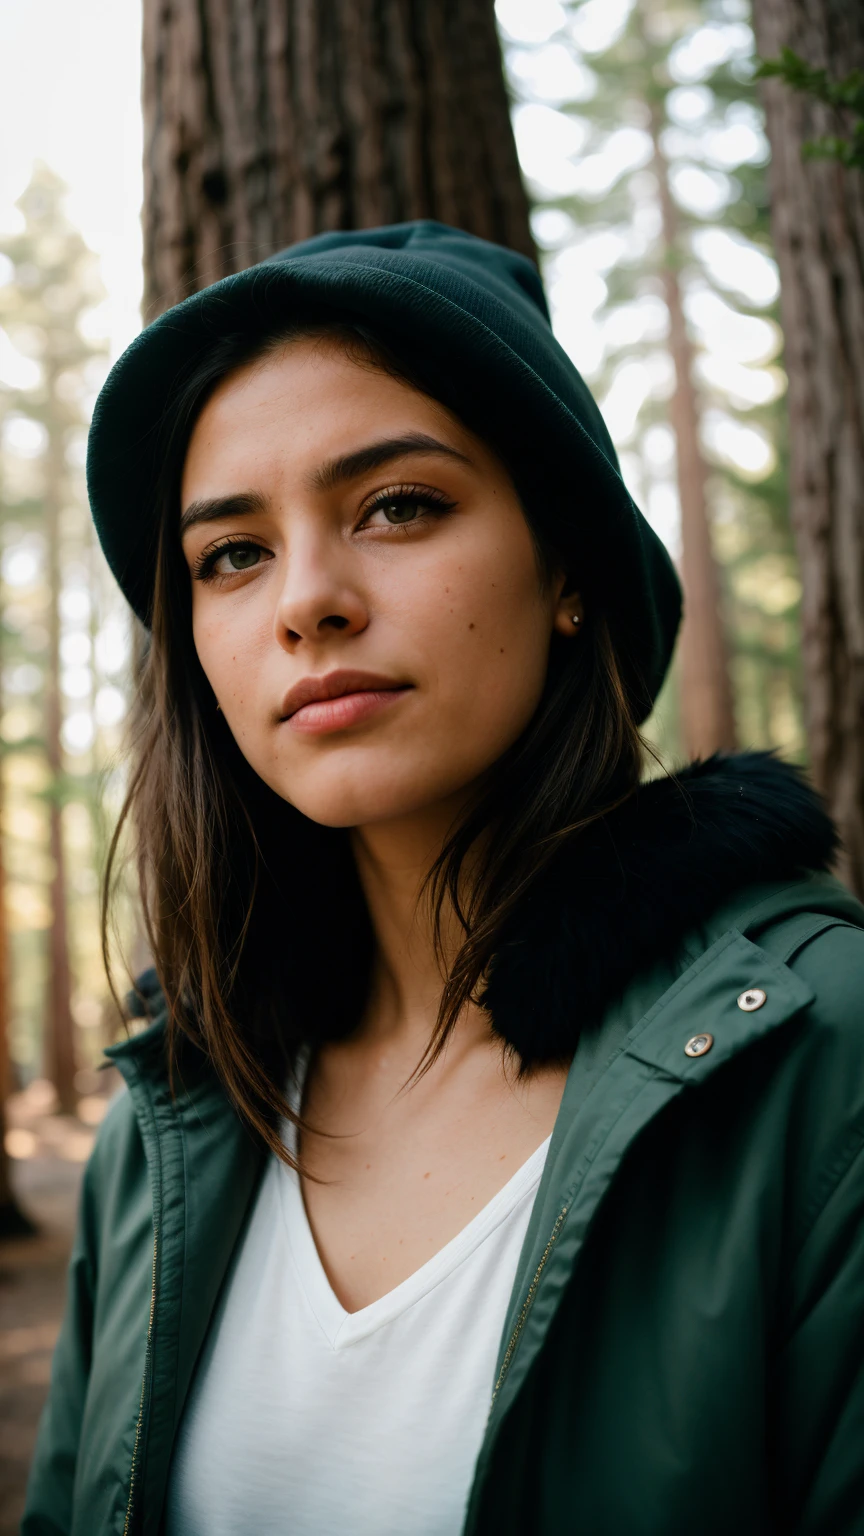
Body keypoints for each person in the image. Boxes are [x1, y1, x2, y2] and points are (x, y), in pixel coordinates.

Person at [22, 223, 864, 1536]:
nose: (307, 600)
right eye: (231, 554)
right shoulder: (170, 1119)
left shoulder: (823, 1059)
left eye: (399, 505)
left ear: (570, 569)